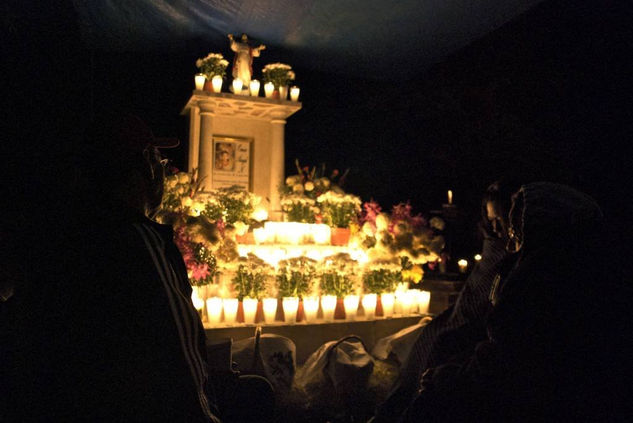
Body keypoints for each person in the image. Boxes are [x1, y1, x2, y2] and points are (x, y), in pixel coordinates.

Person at [3, 114, 221, 422]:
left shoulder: (58, 237)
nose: (161, 170)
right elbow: (182, 361)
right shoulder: (139, 243)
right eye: (157, 160)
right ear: (143, 168)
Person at [403, 182, 627, 421]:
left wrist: (446, 378)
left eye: (515, 226)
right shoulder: (577, 273)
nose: (507, 235)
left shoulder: (539, 282)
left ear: (536, 228)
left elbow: (506, 362)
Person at [371, 179, 521, 422]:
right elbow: (474, 289)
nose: (495, 228)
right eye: (490, 220)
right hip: (461, 317)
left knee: (441, 348)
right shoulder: (492, 244)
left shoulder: (516, 255)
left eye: (500, 219)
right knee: (426, 339)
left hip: (476, 328)